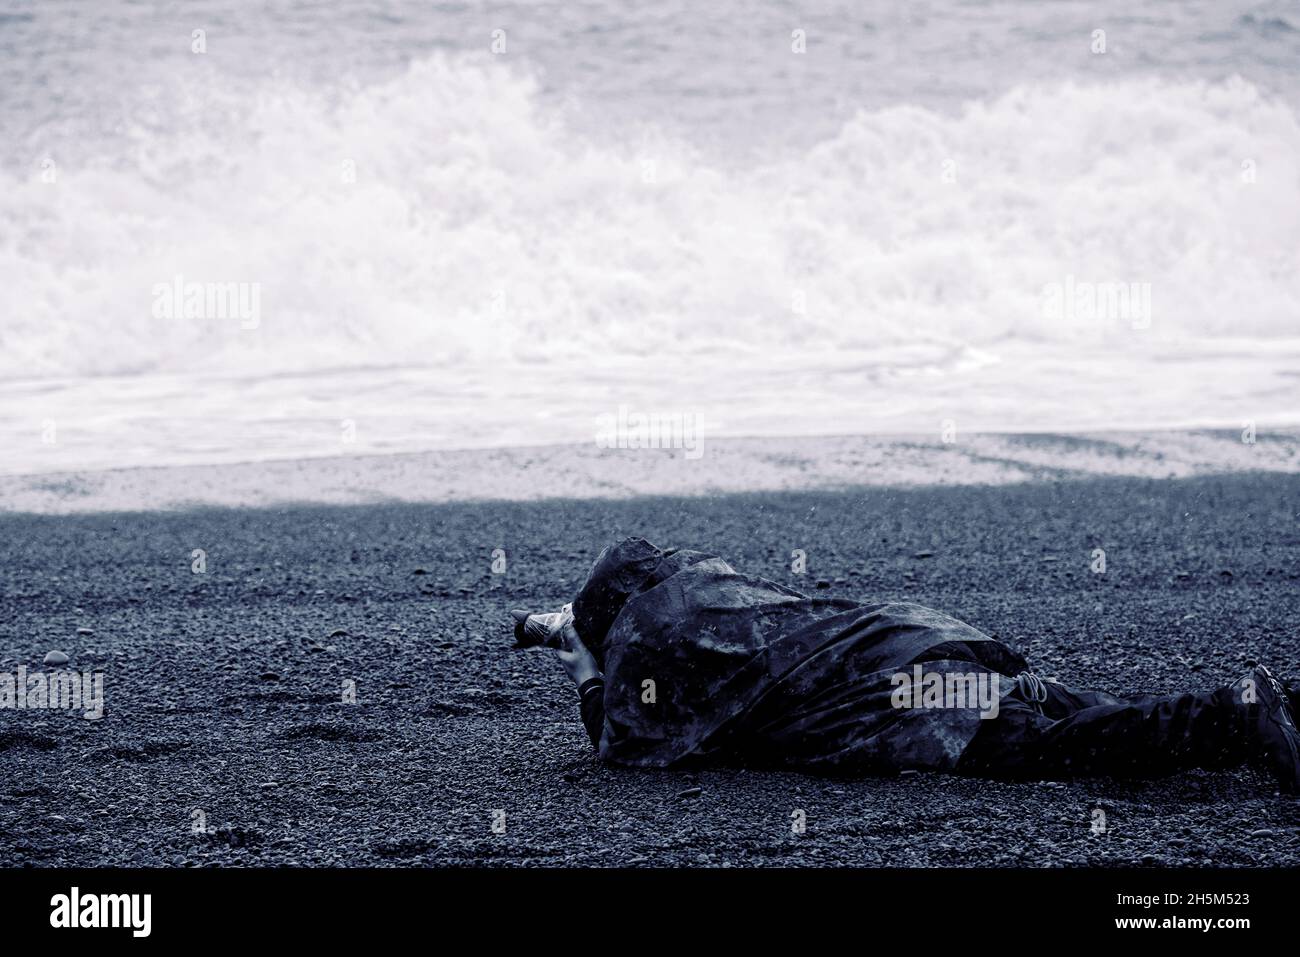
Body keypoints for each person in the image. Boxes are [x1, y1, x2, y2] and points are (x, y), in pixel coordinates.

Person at [511, 537, 1300, 792]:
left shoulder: (658, 647)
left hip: (911, 693)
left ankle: (1232, 713)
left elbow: (625, 746)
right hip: (917, 638)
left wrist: (584, 664)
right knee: (1049, 708)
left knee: (1041, 747)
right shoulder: (703, 585)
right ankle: (1267, 713)